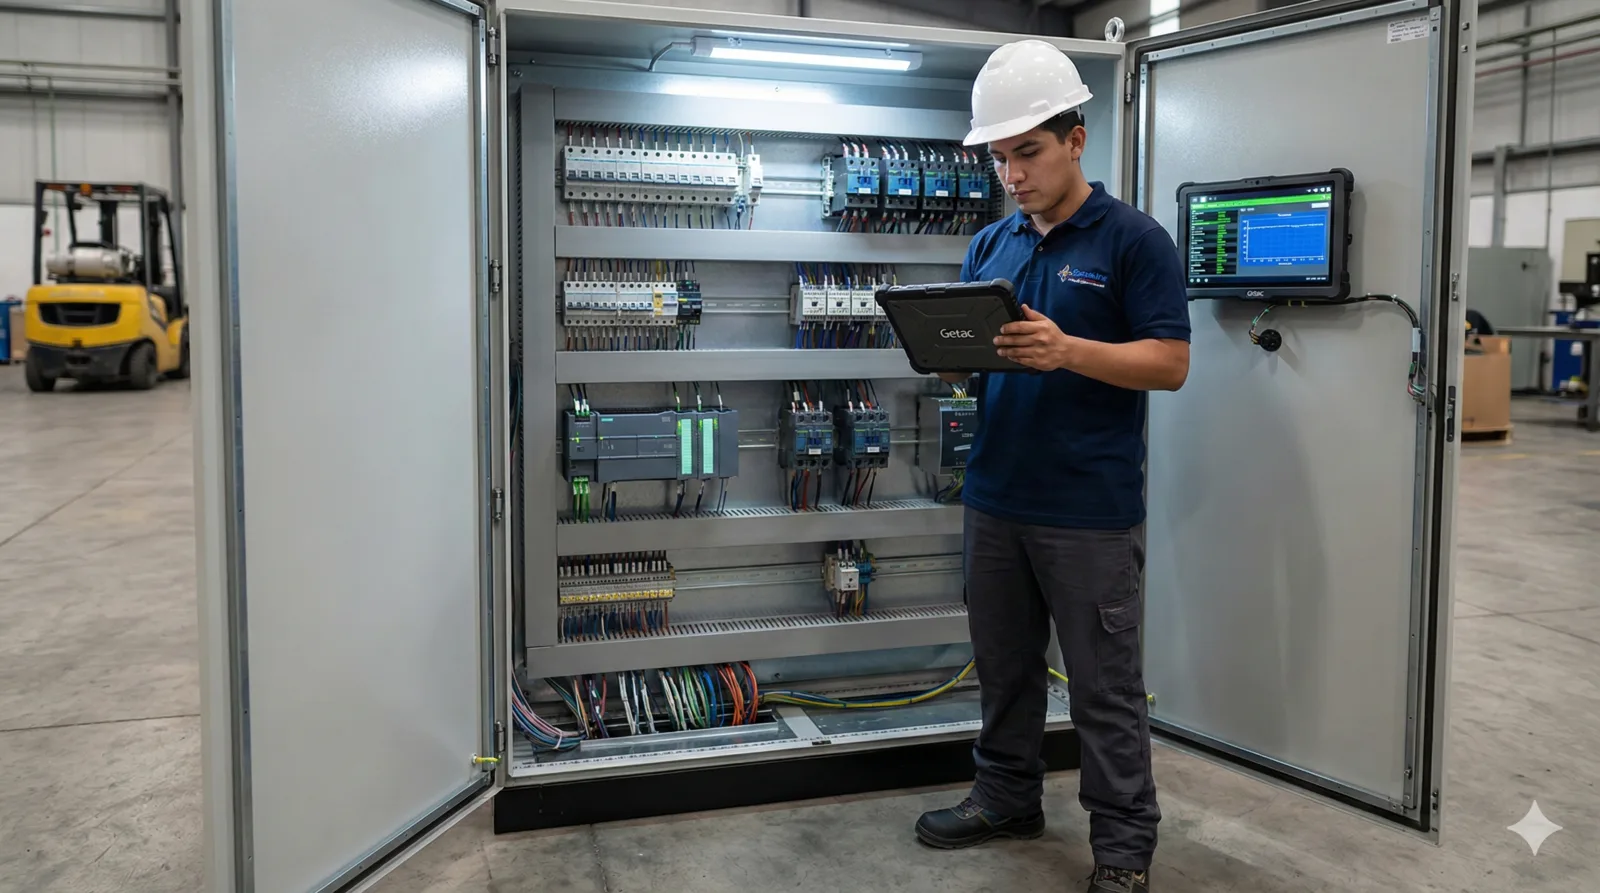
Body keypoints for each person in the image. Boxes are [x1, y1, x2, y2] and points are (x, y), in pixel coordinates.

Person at [912, 39, 1191, 893]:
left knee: (1104, 688)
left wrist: (1069, 349)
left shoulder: (1134, 241)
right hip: (996, 495)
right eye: (999, 157)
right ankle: (1007, 796)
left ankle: (1123, 847)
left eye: (1027, 151)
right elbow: (978, 358)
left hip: (1088, 510)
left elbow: (1169, 363)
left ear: (1076, 137)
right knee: (1006, 666)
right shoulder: (990, 244)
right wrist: (950, 356)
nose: (1013, 174)